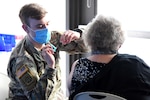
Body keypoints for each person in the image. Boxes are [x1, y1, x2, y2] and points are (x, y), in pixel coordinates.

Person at [7, 3, 88, 100]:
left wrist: (78, 34)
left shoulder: (52, 38)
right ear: (26, 28)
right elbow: (38, 98)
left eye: (47, 24)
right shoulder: (22, 60)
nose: (46, 30)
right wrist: (50, 67)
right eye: (40, 26)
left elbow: (87, 47)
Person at [67, 14, 150, 100]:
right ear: (119, 43)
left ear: (89, 39)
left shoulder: (78, 65)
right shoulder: (135, 65)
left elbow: (72, 94)